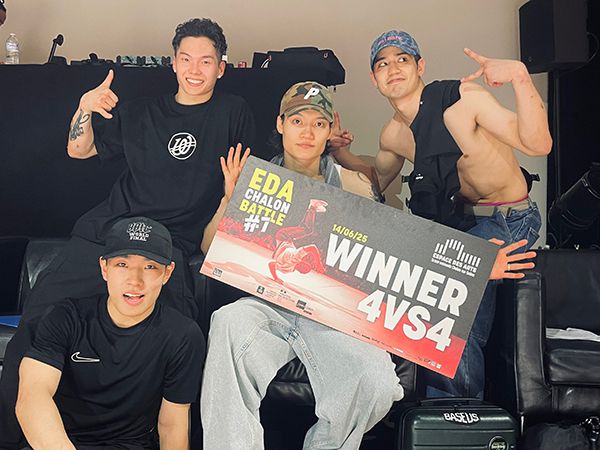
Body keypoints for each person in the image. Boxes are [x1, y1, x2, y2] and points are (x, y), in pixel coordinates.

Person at [199, 81, 535, 450]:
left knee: (379, 383)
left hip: (334, 315)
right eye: (297, 122)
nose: (307, 132)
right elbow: (209, 248)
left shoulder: (354, 184)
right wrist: (229, 200)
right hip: (268, 306)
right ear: (280, 124)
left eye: (318, 123)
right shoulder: (256, 179)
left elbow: (400, 247)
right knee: (228, 320)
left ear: (330, 130)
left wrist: (476, 266)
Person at [0, 18, 255, 448]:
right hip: (107, 233)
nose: (194, 70)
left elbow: (241, 190)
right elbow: (78, 149)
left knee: (176, 336)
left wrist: (230, 198)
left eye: (206, 61)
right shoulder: (143, 113)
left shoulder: (233, 113)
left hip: (168, 244)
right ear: (173, 63)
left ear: (221, 67)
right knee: (39, 318)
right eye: (186, 59)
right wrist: (84, 106)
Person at [329, 30, 552, 399]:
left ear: (420, 67)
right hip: (458, 226)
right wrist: (341, 153)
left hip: (506, 219)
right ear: (374, 79)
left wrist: (519, 76)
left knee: (451, 300)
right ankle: (435, 410)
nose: (393, 68)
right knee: (415, 292)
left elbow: (538, 143)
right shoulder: (394, 134)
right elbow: (377, 181)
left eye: (402, 59)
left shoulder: (462, 100)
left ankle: (456, 411)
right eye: (382, 64)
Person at [16, 216, 204, 450]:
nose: (135, 281)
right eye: (122, 265)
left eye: (150, 267)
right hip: (60, 442)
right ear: (104, 268)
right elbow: (32, 396)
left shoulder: (182, 335)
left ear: (167, 273)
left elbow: (172, 424)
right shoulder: (66, 317)